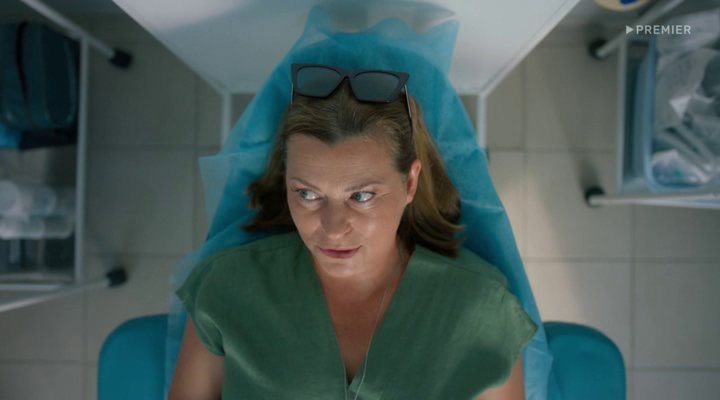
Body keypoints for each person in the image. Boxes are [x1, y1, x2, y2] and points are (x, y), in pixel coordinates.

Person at [168, 63, 537, 400]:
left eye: (361, 196)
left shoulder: (481, 309)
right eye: (307, 193)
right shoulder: (228, 287)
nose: (333, 228)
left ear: (410, 183)